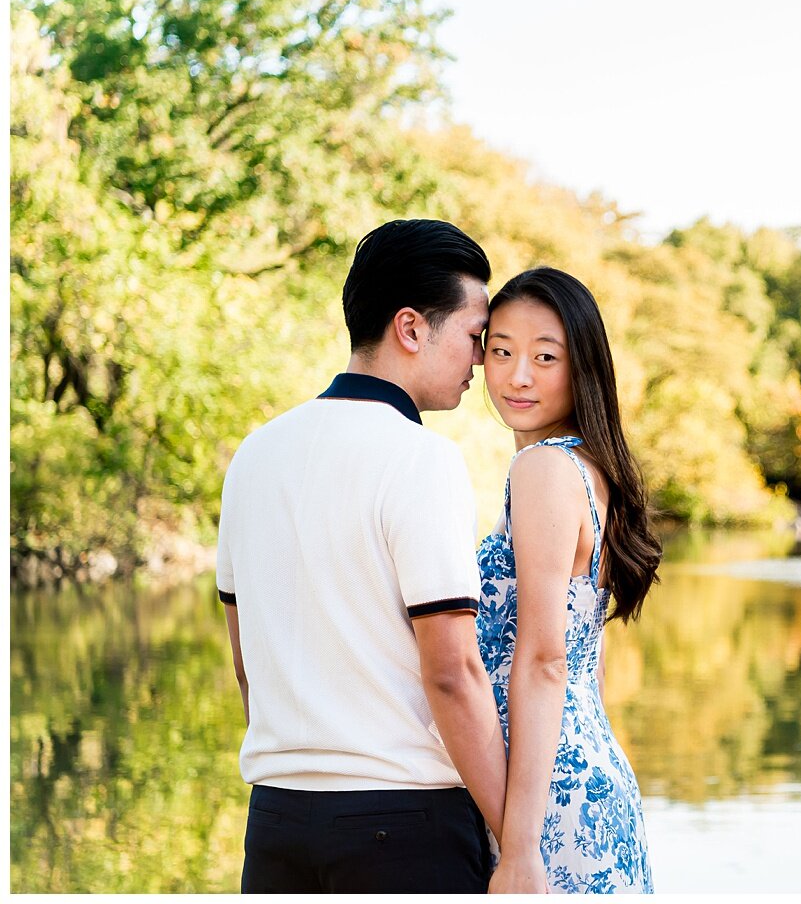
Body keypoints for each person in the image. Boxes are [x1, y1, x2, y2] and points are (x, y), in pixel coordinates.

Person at [217, 218, 506, 892]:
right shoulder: (422, 458)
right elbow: (453, 673)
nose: (480, 361)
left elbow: (245, 664)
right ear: (411, 328)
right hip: (405, 829)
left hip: (277, 827)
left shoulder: (254, 455)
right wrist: (515, 839)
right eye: (473, 337)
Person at [477, 266, 660, 893]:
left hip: (549, 806)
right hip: (585, 777)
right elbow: (593, 664)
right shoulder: (586, 467)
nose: (516, 375)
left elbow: (546, 660)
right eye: (500, 351)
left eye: (544, 357)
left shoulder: (544, 470)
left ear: (581, 365)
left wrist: (520, 847)